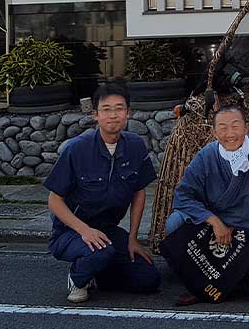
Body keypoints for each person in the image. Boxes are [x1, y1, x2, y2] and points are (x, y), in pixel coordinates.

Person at [163, 104, 249, 304]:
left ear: (246, 128)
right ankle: (209, 281)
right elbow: (183, 195)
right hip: (217, 235)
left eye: (235, 126)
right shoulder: (207, 156)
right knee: (176, 222)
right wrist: (214, 221)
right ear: (214, 132)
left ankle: (232, 281)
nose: (230, 134)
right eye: (223, 128)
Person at [44, 82, 161, 304]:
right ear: (96, 115)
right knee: (101, 251)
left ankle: (97, 274)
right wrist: (84, 230)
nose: (113, 115)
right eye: (106, 109)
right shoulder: (77, 148)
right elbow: (54, 200)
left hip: (108, 231)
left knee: (149, 280)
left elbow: (139, 192)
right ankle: (78, 278)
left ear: (127, 113)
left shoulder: (135, 145)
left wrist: (133, 238)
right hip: (70, 232)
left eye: (119, 108)